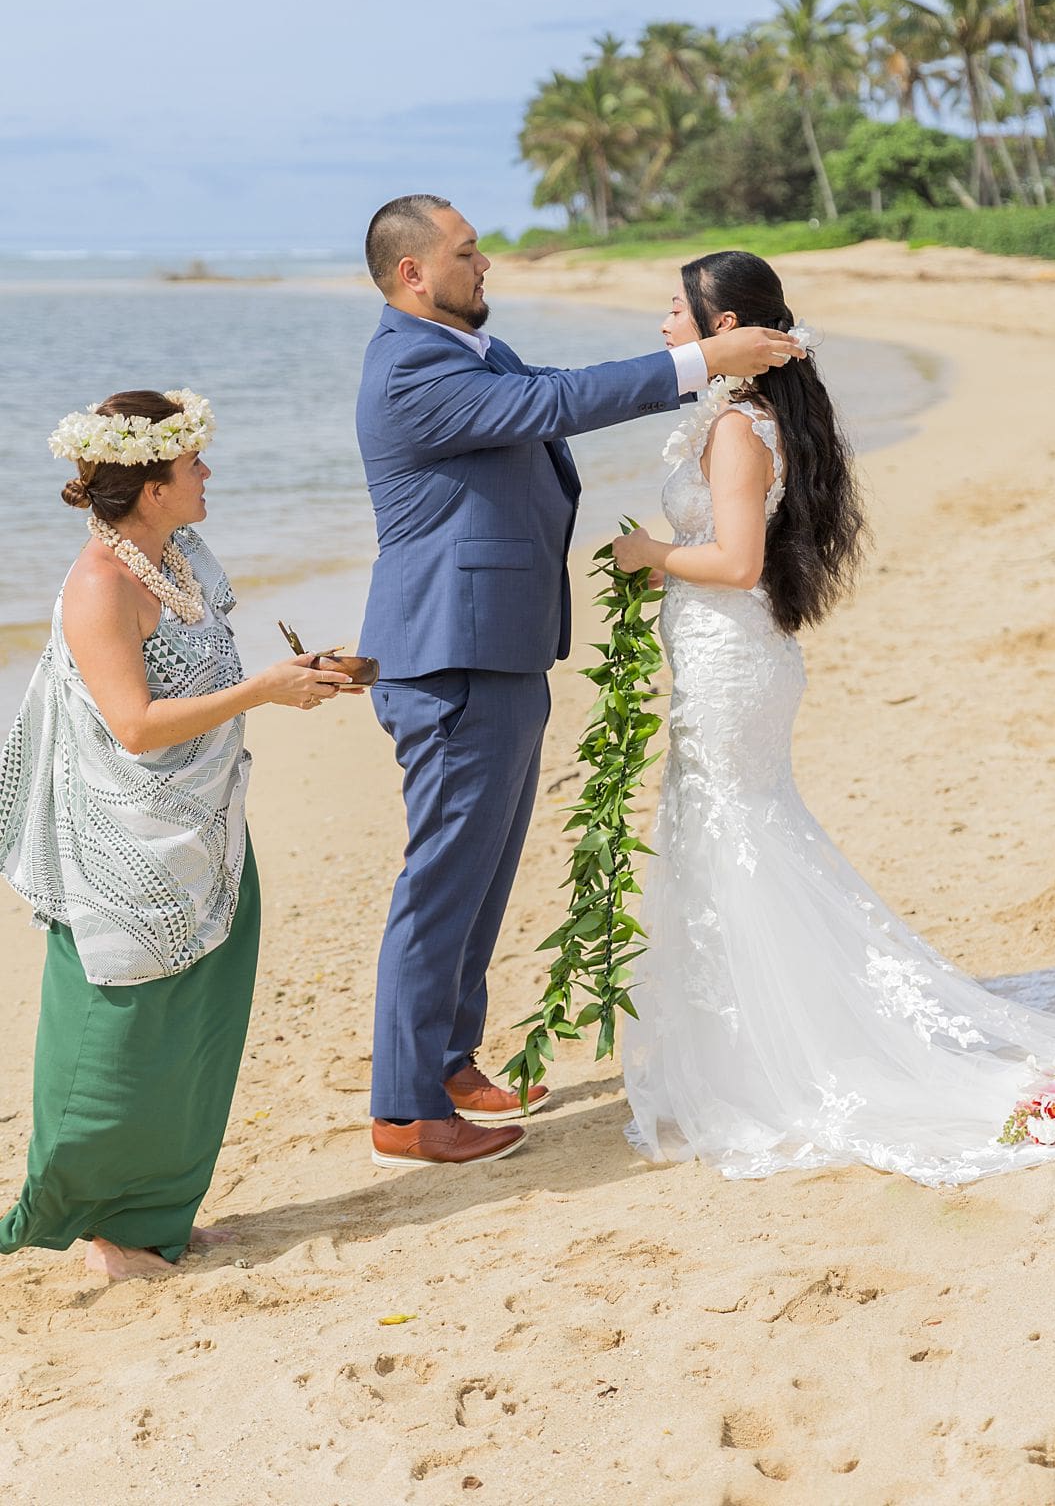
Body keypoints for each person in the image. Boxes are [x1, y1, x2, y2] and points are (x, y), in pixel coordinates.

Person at [614, 250, 1055, 1185]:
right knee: (730, 824)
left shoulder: (737, 431)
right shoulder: (750, 417)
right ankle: (753, 1040)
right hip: (733, 657)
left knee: (731, 826)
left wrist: (648, 553)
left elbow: (734, 563)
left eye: (672, 309)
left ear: (723, 328)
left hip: (732, 654)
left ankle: (776, 1055)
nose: (661, 324)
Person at [355, 195, 801, 1169]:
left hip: (500, 644)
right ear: (413, 275)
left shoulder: (476, 351)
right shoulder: (409, 369)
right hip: (448, 652)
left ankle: (447, 1057)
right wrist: (702, 365)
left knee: (483, 871)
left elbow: (550, 393)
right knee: (442, 881)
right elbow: (552, 408)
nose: (487, 267)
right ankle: (402, 1106)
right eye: (467, 254)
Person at [0, 389, 353, 1279]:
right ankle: (100, 1234)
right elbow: (135, 725)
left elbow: (213, 658)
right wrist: (264, 692)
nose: (208, 475)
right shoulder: (98, 585)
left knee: (199, 1027)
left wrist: (300, 674)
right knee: (119, 1039)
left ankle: (159, 1216)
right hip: (123, 837)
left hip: (206, 820)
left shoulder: (182, 553)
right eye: (193, 464)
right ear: (151, 488)